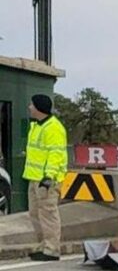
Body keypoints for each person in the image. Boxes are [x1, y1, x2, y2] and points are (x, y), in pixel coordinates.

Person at [22, 94, 68, 262]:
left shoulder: (53, 128)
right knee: (35, 213)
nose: (29, 107)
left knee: (48, 213)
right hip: (35, 178)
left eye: (31, 104)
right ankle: (44, 245)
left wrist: (48, 176)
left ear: (39, 108)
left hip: (47, 180)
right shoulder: (37, 126)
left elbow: (56, 154)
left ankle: (52, 249)